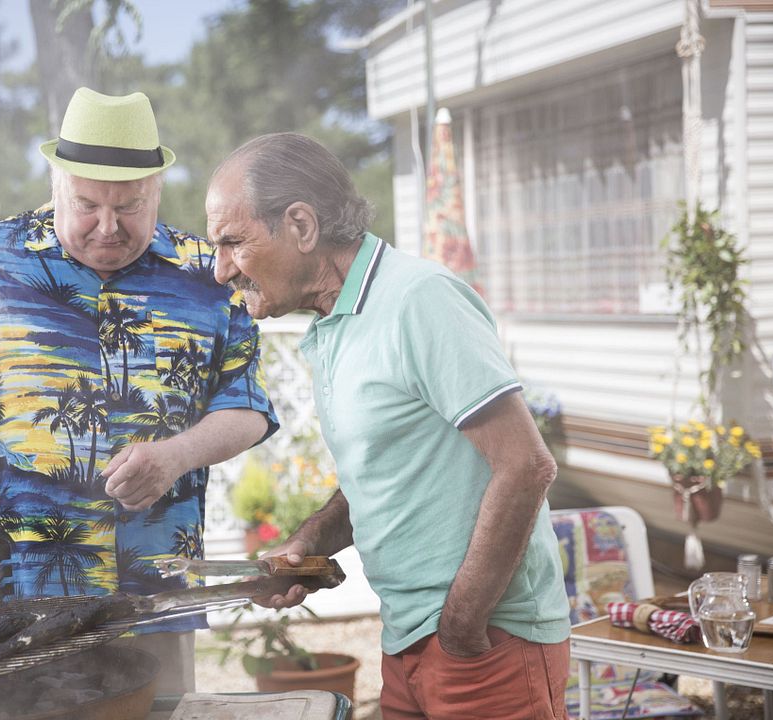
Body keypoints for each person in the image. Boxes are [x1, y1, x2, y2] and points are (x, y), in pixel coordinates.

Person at [0, 87, 277, 693]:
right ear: (56, 184)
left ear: (157, 189)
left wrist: (175, 455)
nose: (108, 226)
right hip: (12, 605)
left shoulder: (209, 273)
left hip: (152, 602)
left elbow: (248, 408)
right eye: (88, 205)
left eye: (129, 207)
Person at [205, 132, 571, 719]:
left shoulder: (418, 299)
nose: (221, 270)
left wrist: (461, 625)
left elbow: (526, 465)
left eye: (232, 242)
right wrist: (311, 541)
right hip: (406, 644)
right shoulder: (333, 326)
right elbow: (389, 471)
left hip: (488, 643)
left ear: (301, 225)